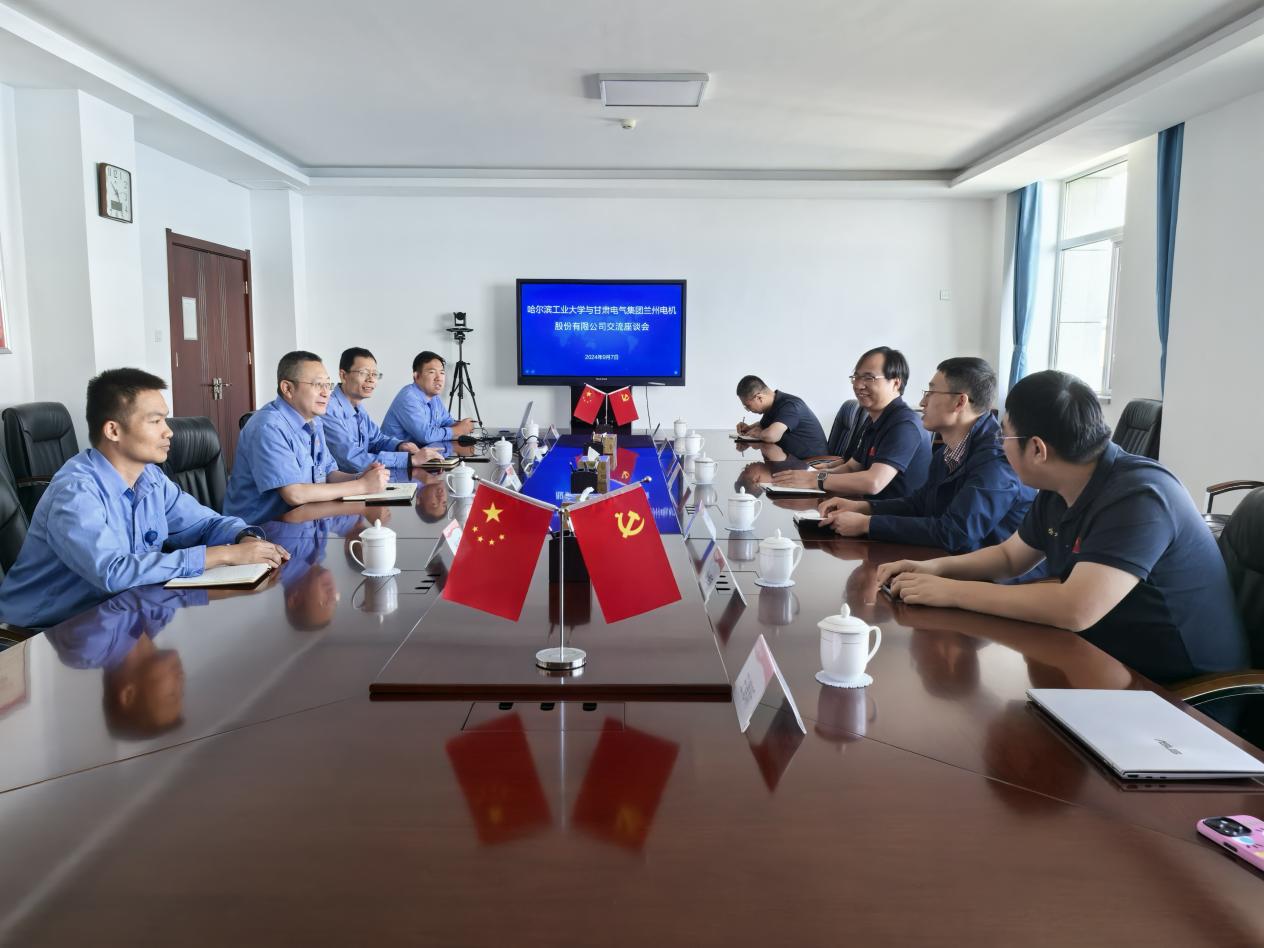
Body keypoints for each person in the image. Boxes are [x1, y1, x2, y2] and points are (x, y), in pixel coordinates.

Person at [878, 370, 1249, 685]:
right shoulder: (1059, 487)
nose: (1000, 447)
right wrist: (932, 569)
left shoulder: (1141, 496)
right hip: (1108, 664)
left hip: (1182, 693)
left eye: (1004, 437)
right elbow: (1010, 557)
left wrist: (952, 592)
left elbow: (1076, 608)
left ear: (1037, 449)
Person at [0, 368, 288, 630]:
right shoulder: (75, 492)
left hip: (116, 616)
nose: (168, 431)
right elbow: (113, 572)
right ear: (113, 430)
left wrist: (244, 538)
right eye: (155, 420)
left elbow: (205, 524)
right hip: (45, 632)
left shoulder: (150, 478)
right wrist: (224, 555)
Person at [819, 357, 1033, 552]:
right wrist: (862, 507)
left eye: (931, 393)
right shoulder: (946, 452)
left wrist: (867, 524)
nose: (922, 403)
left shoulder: (996, 461)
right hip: (952, 560)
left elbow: (955, 532)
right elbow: (919, 504)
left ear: (960, 402)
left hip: (991, 575)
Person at [225, 351, 391, 524]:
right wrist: (362, 486)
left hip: (305, 522)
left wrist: (360, 477)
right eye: (318, 384)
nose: (326, 393)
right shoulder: (267, 427)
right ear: (288, 388)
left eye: (328, 385)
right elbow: (294, 494)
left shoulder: (314, 421)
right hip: (261, 531)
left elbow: (329, 474)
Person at [773, 346, 930, 500]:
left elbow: (873, 482)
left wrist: (815, 480)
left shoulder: (904, 425)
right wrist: (807, 476)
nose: (858, 385)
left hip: (893, 514)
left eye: (869, 378)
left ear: (895, 383)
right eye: (856, 377)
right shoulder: (874, 419)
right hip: (867, 507)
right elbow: (852, 467)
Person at [324, 347, 443, 473]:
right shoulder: (329, 409)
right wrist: (409, 460)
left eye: (375, 374)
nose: (371, 379)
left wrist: (400, 446)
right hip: (345, 482)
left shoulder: (358, 407)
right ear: (343, 376)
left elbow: (377, 440)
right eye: (363, 373)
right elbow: (352, 460)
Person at [381, 351, 477, 446]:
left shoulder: (434, 397)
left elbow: (446, 422)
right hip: (394, 454)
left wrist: (463, 425)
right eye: (432, 372)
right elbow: (425, 436)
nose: (439, 378)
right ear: (416, 376)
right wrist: (458, 430)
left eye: (442, 372)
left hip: (419, 452)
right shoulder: (408, 397)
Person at [734, 376, 828, 459]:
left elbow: (771, 435)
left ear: (759, 398)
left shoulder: (790, 406)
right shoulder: (772, 405)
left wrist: (759, 434)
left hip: (814, 463)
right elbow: (764, 425)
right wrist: (749, 428)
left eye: (748, 406)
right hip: (796, 461)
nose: (748, 410)